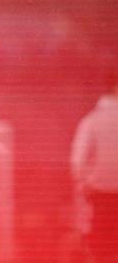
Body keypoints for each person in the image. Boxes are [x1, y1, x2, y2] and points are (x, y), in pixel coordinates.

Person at [70, 72, 118, 263]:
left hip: (99, 197)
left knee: (101, 250)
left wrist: (84, 185)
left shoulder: (91, 121)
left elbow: (77, 161)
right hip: (101, 196)